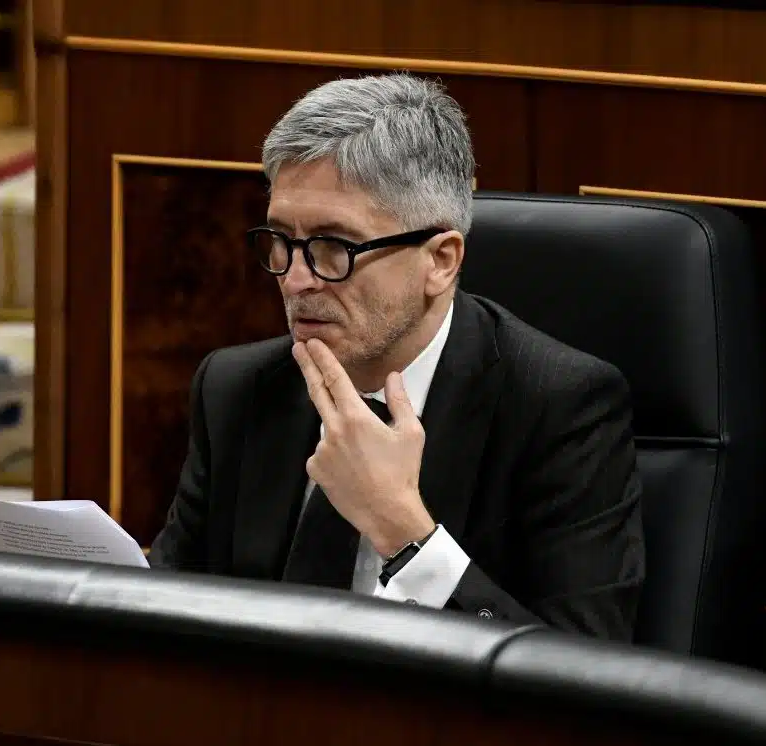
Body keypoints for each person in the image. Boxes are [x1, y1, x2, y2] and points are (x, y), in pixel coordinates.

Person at [147, 73, 645, 640]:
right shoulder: (237, 388)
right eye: (282, 240)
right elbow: (166, 614)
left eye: (334, 246)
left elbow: (575, 671)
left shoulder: (559, 409)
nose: (296, 280)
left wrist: (403, 530)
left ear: (441, 261)